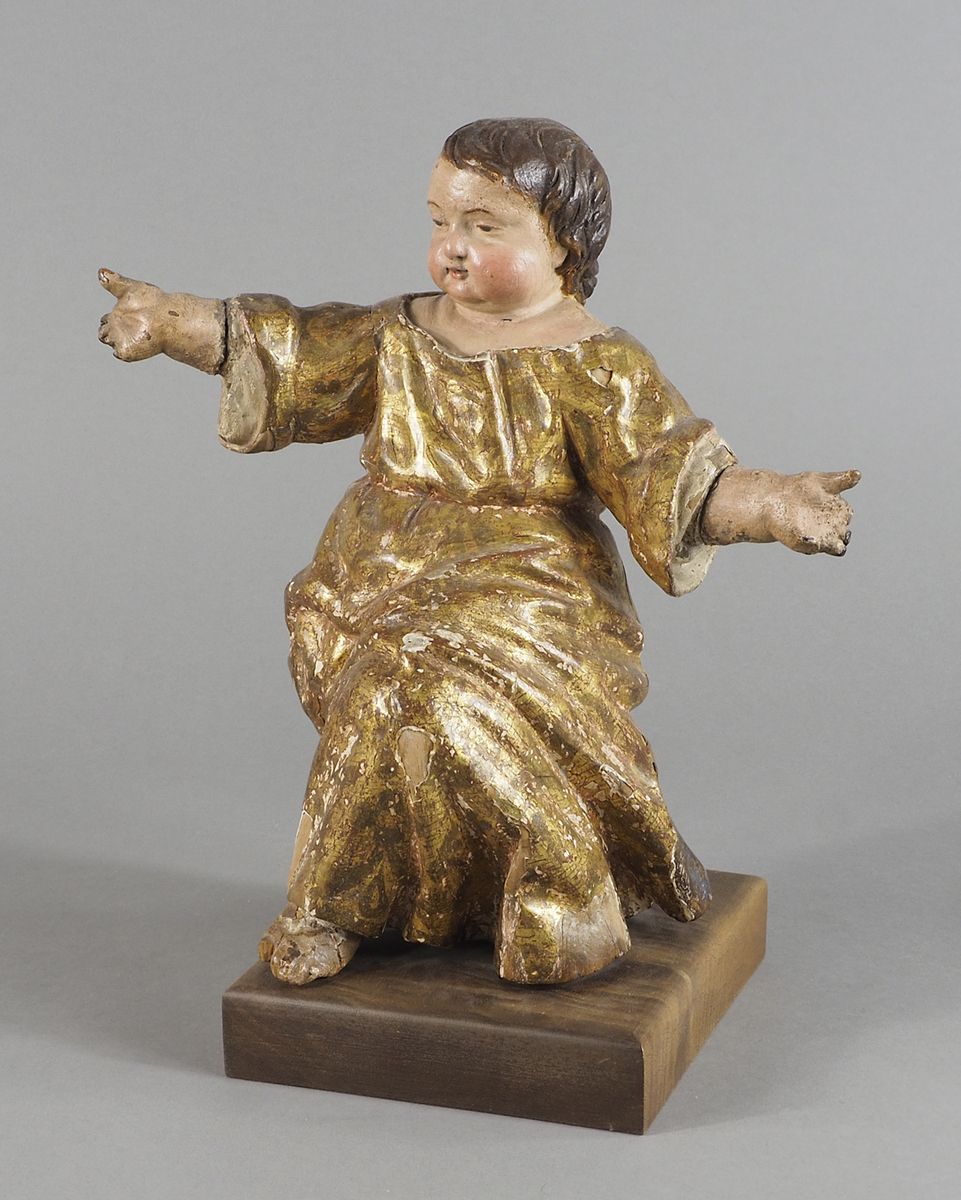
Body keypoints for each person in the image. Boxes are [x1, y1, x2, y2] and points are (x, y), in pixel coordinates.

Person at [98, 118, 857, 986]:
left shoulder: (597, 362)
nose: (452, 248)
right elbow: (291, 351)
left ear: (562, 244)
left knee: (415, 685)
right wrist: (173, 318)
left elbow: (671, 472)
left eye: (484, 226)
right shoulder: (396, 334)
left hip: (527, 594)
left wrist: (770, 503)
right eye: (439, 222)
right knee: (393, 684)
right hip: (372, 579)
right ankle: (445, 897)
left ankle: (504, 891)